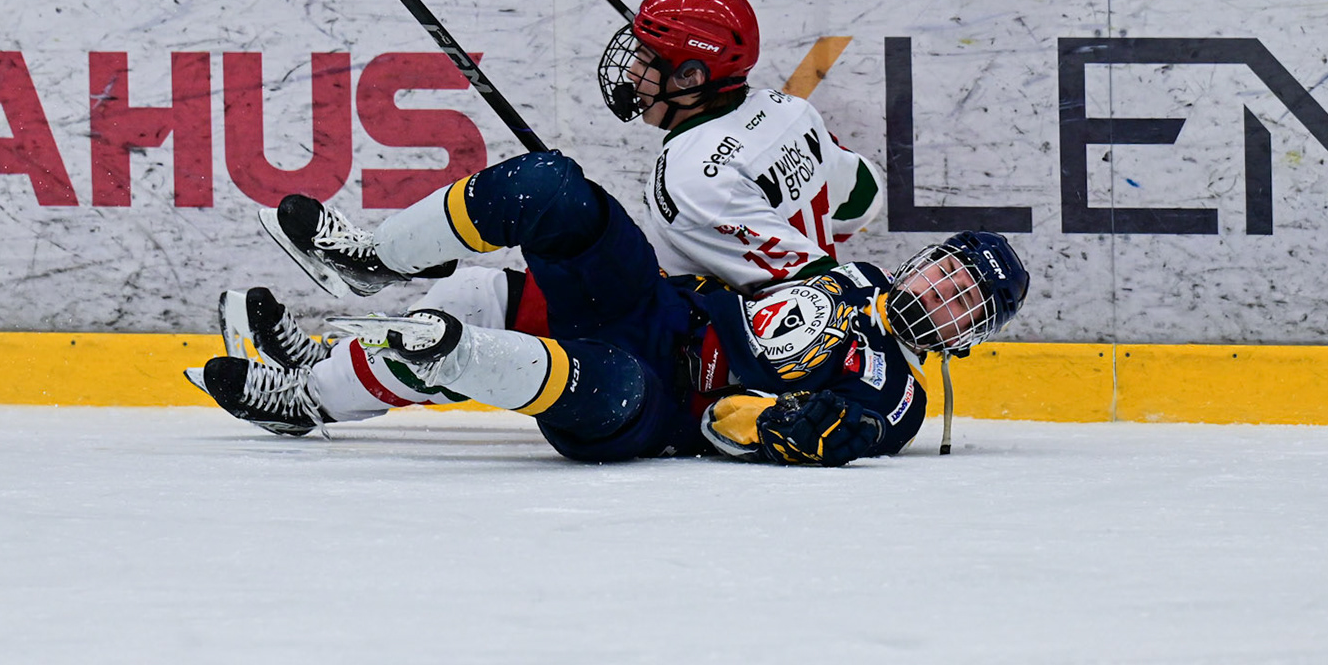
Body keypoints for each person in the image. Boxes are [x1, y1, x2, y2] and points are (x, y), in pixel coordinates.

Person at [210, 0, 889, 425]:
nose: (632, 70)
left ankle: (309, 397)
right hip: (675, 308)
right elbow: (863, 196)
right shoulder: (785, 111)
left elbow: (800, 292)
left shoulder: (693, 176)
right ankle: (335, 349)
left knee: (475, 333)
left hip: (702, 358)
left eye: (650, 60)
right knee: (473, 295)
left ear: (690, 76)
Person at [188, 149, 1026, 465]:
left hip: (659, 402)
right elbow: (740, 263)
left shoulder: (899, 396)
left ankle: (309, 396)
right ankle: (372, 262)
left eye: (964, 305)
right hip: (657, 309)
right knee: (551, 189)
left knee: (486, 345)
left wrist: (776, 425)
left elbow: (815, 434)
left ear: (970, 336)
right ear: (925, 262)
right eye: (948, 277)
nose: (941, 298)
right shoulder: (849, 274)